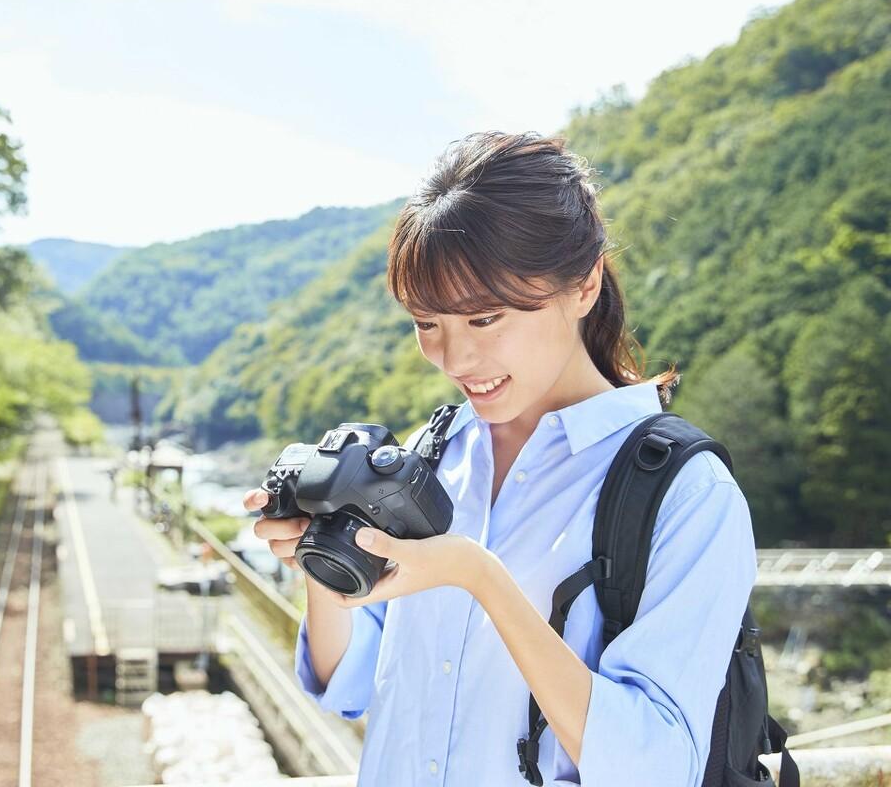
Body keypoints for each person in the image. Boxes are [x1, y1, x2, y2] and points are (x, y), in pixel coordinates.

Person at [242, 131, 758, 786]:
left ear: (585, 283)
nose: (454, 359)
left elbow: (653, 767)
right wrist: (320, 556)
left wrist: (479, 578)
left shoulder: (687, 495)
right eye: (428, 324)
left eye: (485, 320)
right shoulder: (435, 454)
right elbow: (347, 686)